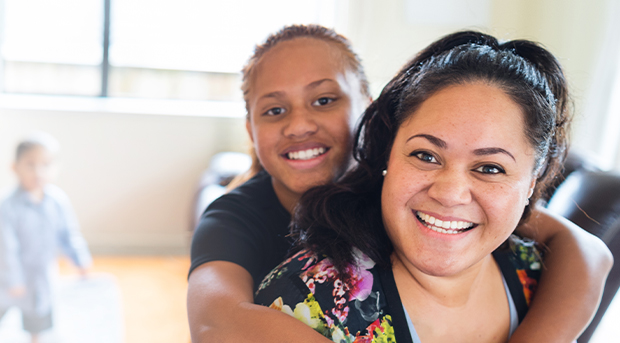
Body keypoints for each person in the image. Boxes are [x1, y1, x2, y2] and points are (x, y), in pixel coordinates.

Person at [187, 25, 612, 343]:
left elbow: (587, 251)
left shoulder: (409, 189)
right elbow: (213, 320)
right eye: (275, 110)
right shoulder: (238, 221)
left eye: (324, 100)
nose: (301, 125)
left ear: (368, 111)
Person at [0, 132, 92, 343]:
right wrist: (14, 279)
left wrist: (80, 259)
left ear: (56, 167)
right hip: (8, 275)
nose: (38, 171)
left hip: (41, 274)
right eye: (30, 165)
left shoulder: (57, 201)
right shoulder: (7, 206)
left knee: (38, 314)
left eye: (46, 164)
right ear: (15, 167)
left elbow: (69, 234)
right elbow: (6, 247)